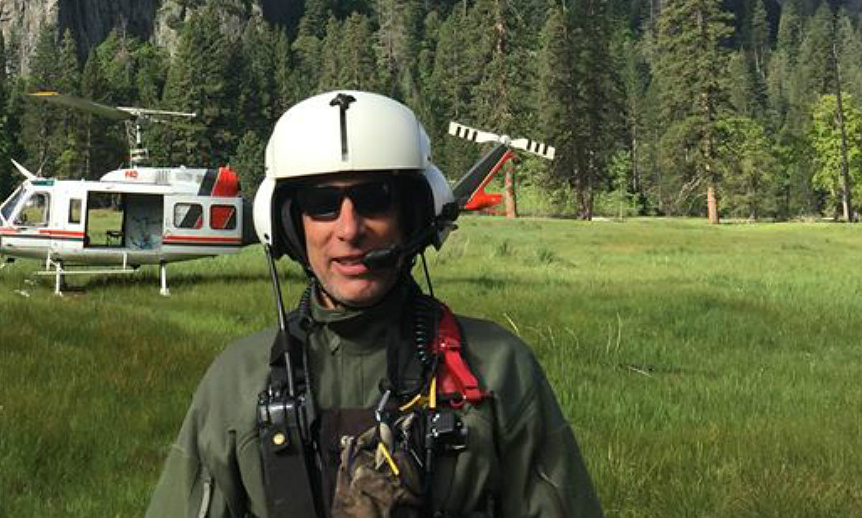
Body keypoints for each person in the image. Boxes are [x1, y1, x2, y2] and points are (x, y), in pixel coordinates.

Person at [146, 90, 603, 518]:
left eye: (374, 199)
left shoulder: (498, 370)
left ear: (414, 215)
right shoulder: (237, 380)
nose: (349, 229)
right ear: (286, 224)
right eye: (322, 203)